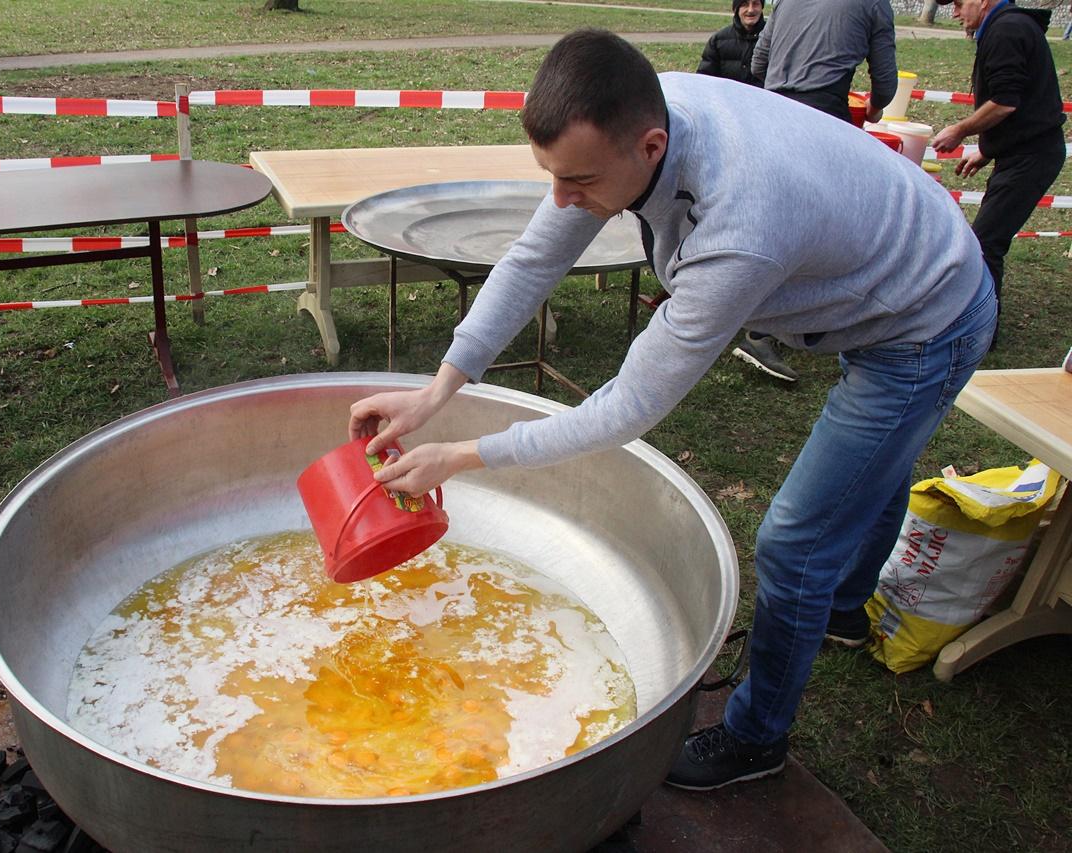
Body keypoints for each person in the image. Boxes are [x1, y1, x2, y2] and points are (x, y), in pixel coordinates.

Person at [349, 29, 995, 791]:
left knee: (793, 541)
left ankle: (759, 739)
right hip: (880, 258)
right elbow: (534, 257)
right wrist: (437, 392)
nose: (561, 200)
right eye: (550, 176)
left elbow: (627, 407)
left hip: (924, 323)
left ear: (651, 147)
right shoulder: (637, 114)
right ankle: (846, 610)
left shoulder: (741, 226)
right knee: (870, 476)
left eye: (579, 182)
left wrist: (463, 455)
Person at [929, 0, 1066, 344]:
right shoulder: (1003, 27)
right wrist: (988, 151)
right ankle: (974, 322)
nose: (956, 13)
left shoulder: (1007, 29)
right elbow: (1021, 105)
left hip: (1033, 156)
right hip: (1022, 152)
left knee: (986, 242)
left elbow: (1006, 102)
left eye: (959, 4)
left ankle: (977, 332)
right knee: (987, 239)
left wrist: (961, 130)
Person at [698, 0, 801, 383]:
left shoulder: (775, 34)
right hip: (729, 135)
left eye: (758, 4)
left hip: (763, 133)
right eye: (747, 4)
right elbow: (704, 82)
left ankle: (756, 325)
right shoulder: (721, 41)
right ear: (737, 9)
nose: (753, 10)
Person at [751, 0, 897, 125]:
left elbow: (758, 63)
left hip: (771, 112)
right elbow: (885, 85)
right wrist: (873, 109)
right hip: (824, 115)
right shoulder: (875, 4)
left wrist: (784, 88)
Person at [697, 0, 767, 87]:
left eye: (755, 4)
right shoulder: (718, 41)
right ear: (736, 9)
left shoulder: (773, 39)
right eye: (745, 4)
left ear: (762, 7)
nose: (750, 10)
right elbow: (704, 80)